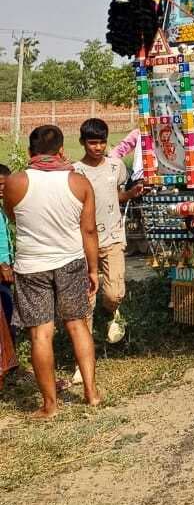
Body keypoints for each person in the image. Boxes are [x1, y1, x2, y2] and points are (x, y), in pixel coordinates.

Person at [2, 124, 101, 417]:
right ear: (61, 150)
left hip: (31, 266)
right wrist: (93, 269)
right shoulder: (79, 183)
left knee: (40, 335)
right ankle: (92, 393)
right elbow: (90, 231)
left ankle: (49, 406)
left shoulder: (15, 183)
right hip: (70, 262)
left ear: (31, 152)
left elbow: (13, 217)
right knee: (77, 324)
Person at [74, 118, 142, 346]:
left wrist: (131, 194)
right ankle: (87, 347)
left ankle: (110, 312)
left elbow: (116, 195)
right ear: (82, 142)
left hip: (113, 238)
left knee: (114, 293)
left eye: (102, 143)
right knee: (87, 298)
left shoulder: (117, 166)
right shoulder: (75, 172)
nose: (98, 148)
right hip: (83, 243)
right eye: (92, 143)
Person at [0, 164, 17, 384]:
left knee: (9, 315)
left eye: (5, 185)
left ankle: (10, 364)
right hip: (2, 269)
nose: (2, 189)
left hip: (7, 268)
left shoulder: (6, 208)